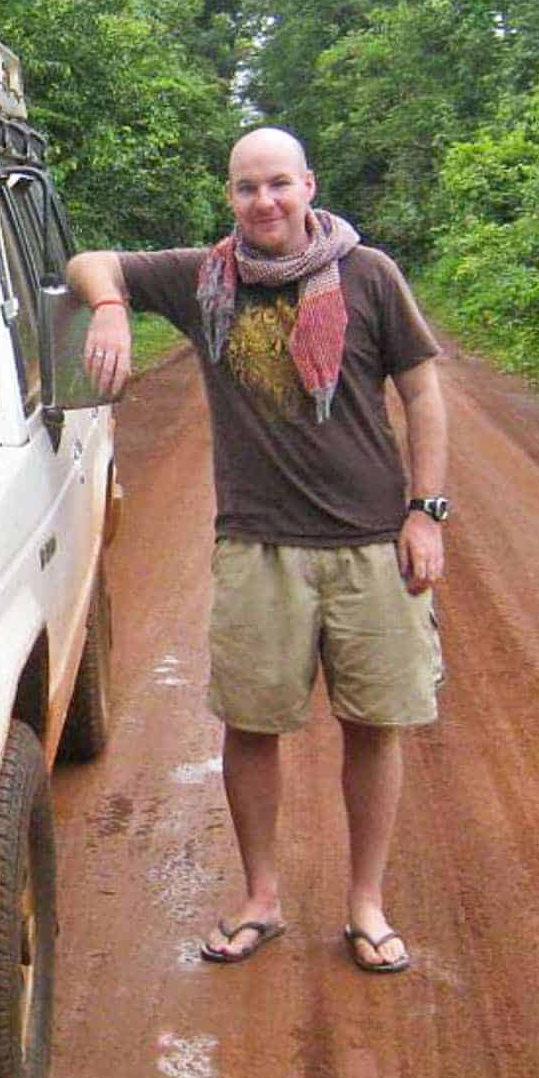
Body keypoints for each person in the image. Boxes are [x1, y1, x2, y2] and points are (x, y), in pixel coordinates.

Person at [65, 127, 447, 974]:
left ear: (310, 185)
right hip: (256, 544)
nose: (264, 202)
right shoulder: (204, 278)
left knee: (375, 725)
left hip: (370, 542)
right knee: (252, 724)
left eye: (279, 183)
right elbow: (91, 259)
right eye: (246, 188)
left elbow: (422, 391)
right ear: (229, 196)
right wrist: (112, 308)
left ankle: (366, 903)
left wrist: (426, 512)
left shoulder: (370, 275)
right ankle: (262, 898)